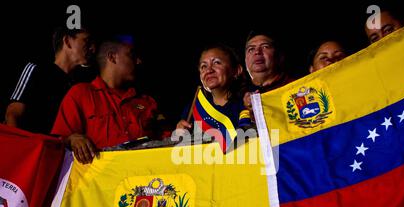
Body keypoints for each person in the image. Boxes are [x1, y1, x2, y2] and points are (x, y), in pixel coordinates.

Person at [51, 35, 169, 164]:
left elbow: (167, 141)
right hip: (99, 181)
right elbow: (58, 141)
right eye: (132, 55)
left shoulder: (147, 102)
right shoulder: (80, 94)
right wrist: (73, 139)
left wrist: (179, 131)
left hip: (143, 179)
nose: (138, 61)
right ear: (112, 57)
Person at [5, 26, 95, 133]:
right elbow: (12, 114)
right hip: (35, 146)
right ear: (67, 41)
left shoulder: (80, 83)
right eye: (87, 40)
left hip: (61, 147)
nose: (93, 48)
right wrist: (19, 147)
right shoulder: (37, 69)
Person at [176, 43, 250, 134]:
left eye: (217, 63)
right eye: (204, 66)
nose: (209, 70)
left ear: (237, 70)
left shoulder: (248, 101)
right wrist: (180, 132)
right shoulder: (194, 108)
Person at [243, 30, 293, 110]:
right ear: (245, 60)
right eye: (251, 49)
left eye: (265, 47)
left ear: (280, 57)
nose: (257, 52)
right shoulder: (237, 95)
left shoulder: (295, 88)